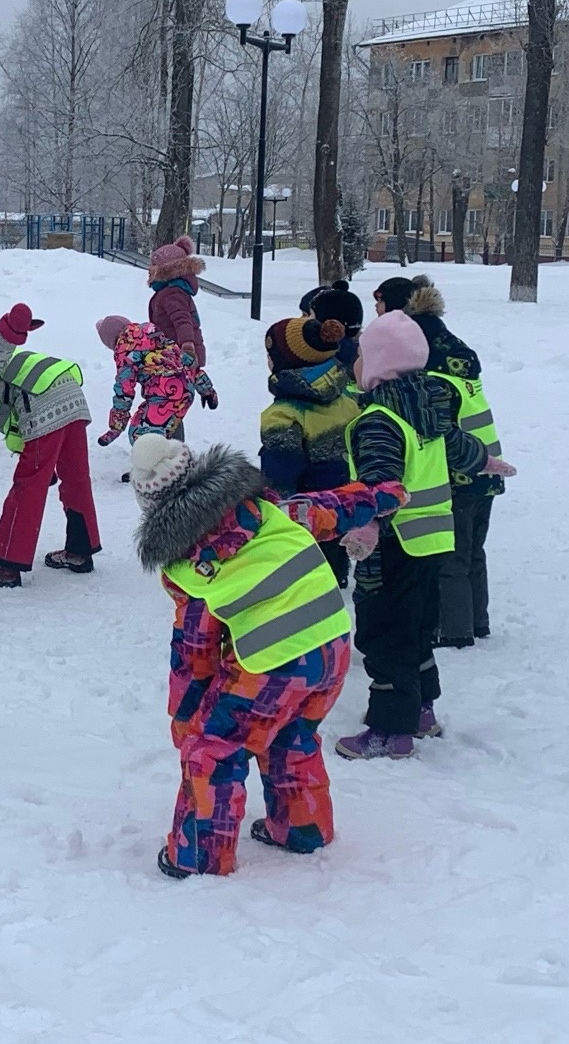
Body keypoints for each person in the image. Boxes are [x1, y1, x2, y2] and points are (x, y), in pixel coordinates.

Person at [133, 435, 402, 878]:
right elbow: (330, 506)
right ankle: (303, 827)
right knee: (291, 733)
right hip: (330, 643)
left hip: (274, 661)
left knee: (213, 748)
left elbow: (195, 650)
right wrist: (380, 495)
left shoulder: (186, 565)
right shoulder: (270, 509)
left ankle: (198, 857)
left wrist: (186, 719)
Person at [337, 308, 484, 761]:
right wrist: (484, 462)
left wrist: (367, 525)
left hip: (394, 544)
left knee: (385, 633)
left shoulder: (381, 419)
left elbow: (382, 482)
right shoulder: (429, 405)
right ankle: (422, 708)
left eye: (361, 356)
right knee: (419, 628)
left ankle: (390, 728)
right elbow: (458, 447)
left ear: (378, 363)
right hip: (434, 540)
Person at [378, 276, 517, 644]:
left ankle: (455, 630)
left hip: (458, 469)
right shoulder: (458, 350)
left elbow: (434, 422)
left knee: (451, 553)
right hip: (486, 463)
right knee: (474, 551)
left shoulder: (420, 357)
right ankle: (477, 620)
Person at [0, 302, 102, 585]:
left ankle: (6, 565)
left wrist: (10, 329)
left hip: (43, 404)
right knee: (76, 479)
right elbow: (13, 424)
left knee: (27, 487)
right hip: (72, 397)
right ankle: (79, 550)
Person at [97, 315, 215, 454]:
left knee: (141, 433)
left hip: (163, 394)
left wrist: (116, 426)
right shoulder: (156, 337)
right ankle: (177, 462)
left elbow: (124, 389)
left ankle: (154, 470)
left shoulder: (125, 350)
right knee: (168, 425)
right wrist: (207, 389)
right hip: (185, 389)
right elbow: (186, 360)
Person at [146, 238, 218, 414]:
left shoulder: (172, 294)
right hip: (172, 354)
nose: (149, 270)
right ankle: (206, 390)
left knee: (169, 404)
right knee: (174, 396)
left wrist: (187, 346)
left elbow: (183, 321)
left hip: (177, 353)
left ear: (167, 270)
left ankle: (169, 438)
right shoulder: (168, 292)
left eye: (154, 266)